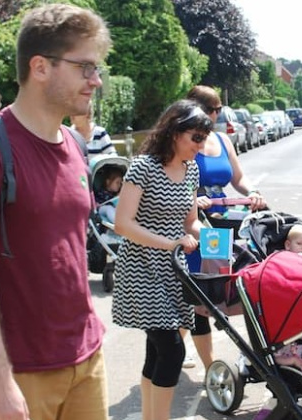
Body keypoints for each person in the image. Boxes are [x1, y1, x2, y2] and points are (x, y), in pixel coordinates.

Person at [0, 4, 111, 420]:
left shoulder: (74, 145)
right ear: (40, 67)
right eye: (85, 67)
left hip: (84, 361)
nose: (97, 80)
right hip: (11, 373)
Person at [111, 99, 210, 420]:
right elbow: (123, 223)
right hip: (141, 269)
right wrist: (170, 243)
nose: (201, 145)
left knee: (156, 351)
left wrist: (206, 236)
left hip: (173, 270)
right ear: (173, 132)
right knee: (172, 350)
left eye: (204, 138)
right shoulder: (143, 167)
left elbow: (190, 221)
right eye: (196, 137)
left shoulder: (191, 169)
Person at [181, 85, 267, 370]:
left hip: (225, 225)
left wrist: (252, 192)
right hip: (200, 227)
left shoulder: (222, 140)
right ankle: (209, 367)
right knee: (204, 297)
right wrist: (194, 198)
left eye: (217, 110)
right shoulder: (185, 143)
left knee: (220, 291)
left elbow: (238, 178)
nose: (215, 115)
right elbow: (176, 181)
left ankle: (175, 340)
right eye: (210, 110)